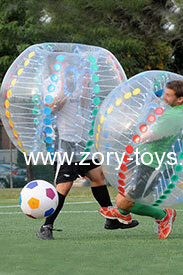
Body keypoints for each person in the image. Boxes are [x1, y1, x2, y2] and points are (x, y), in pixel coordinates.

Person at [37, 54, 138, 240]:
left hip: (84, 141)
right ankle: (46, 226)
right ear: (54, 65)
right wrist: (66, 90)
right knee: (64, 186)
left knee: (98, 177)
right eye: (64, 62)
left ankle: (111, 220)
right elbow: (51, 108)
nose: (68, 65)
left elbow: (84, 106)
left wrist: (84, 87)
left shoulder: (79, 82)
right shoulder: (50, 83)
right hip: (66, 142)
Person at [99, 80, 183, 239]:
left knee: (125, 201)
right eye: (164, 93)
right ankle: (123, 214)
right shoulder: (177, 108)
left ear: (179, 99)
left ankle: (162, 215)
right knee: (127, 197)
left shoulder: (173, 115)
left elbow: (151, 135)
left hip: (152, 164)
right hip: (145, 159)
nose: (164, 98)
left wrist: (136, 135)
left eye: (168, 95)